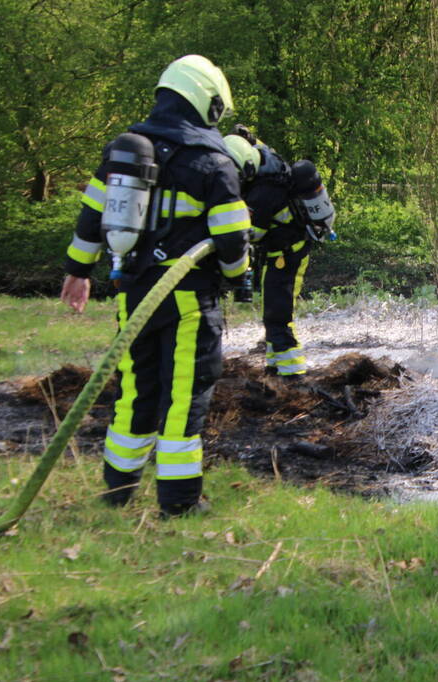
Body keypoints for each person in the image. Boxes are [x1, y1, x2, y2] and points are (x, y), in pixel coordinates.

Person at [60, 55, 251, 516]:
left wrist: (78, 271)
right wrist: (235, 279)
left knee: (135, 388)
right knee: (184, 394)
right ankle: (181, 503)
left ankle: (117, 489)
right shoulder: (213, 162)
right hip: (188, 297)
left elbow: (92, 216)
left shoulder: (125, 151)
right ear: (207, 105)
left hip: (135, 293)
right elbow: (231, 238)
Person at [228, 126, 336, 378]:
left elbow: (253, 233)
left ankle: (293, 374)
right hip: (281, 252)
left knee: (279, 314)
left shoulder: (264, 192)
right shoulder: (265, 166)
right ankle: (275, 367)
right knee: (272, 312)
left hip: (288, 254)